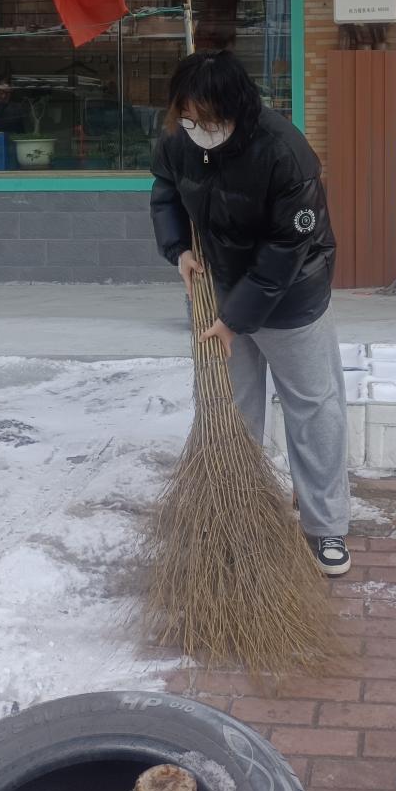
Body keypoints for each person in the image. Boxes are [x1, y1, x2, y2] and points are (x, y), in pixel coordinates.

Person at [150, 50, 351, 577]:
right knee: (232, 409)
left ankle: (325, 526)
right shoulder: (180, 140)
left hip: (292, 296)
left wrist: (235, 319)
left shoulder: (284, 152)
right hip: (218, 287)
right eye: (187, 117)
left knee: (312, 408)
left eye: (206, 118)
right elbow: (165, 189)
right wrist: (178, 249)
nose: (196, 128)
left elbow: (288, 248)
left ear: (236, 108)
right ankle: (237, 513)